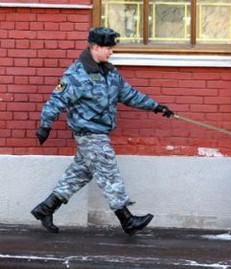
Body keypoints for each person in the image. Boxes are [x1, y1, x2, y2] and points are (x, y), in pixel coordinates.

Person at [31, 27, 174, 236]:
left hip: (98, 134)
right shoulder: (76, 75)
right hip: (89, 134)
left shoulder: (110, 72)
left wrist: (156, 107)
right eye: (108, 48)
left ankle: (45, 209)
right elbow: (56, 100)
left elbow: (129, 94)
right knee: (109, 172)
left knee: (79, 174)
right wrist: (45, 126)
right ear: (96, 47)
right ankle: (127, 220)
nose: (111, 52)